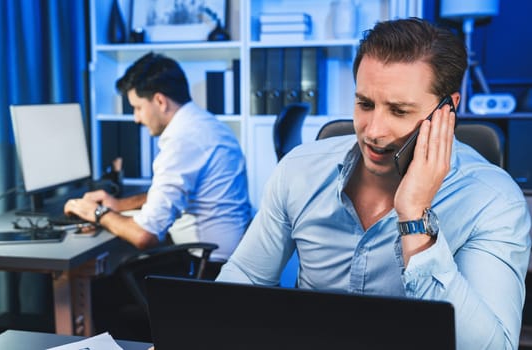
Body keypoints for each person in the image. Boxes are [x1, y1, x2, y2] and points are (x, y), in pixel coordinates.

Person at [217, 18, 531, 349]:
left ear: (448, 109)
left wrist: (415, 218)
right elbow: (245, 281)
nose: (373, 131)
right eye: (365, 104)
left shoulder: (493, 201)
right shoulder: (299, 170)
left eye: (398, 111)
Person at [64, 52, 252, 269]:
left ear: (160, 101)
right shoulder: (205, 124)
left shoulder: (183, 140)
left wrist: (96, 213)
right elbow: (170, 193)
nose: (136, 118)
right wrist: (118, 205)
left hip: (209, 268)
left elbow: (146, 236)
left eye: (137, 108)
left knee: (109, 281)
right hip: (230, 255)